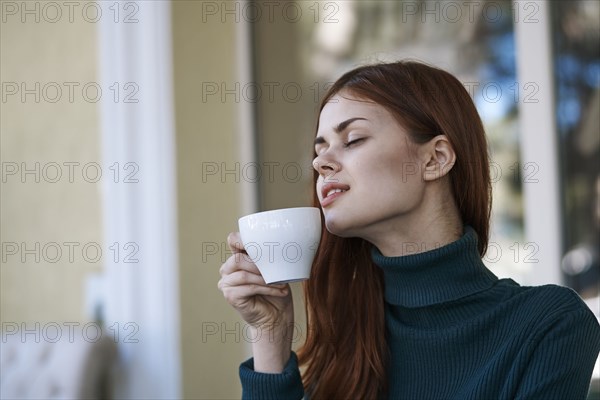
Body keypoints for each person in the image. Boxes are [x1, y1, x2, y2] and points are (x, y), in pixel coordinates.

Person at [218, 60, 600, 399]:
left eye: (352, 139)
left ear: (435, 159)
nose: (322, 164)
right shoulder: (349, 341)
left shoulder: (548, 324)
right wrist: (271, 334)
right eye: (320, 151)